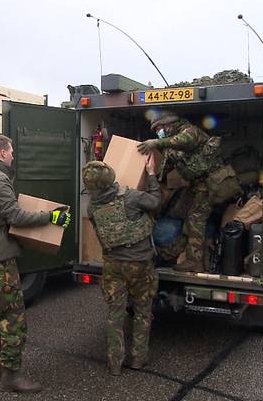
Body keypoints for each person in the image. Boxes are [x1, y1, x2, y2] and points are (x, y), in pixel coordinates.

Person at [0, 134, 71, 393]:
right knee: (14, 317)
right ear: (3, 152)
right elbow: (14, 215)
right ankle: (11, 376)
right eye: (12, 151)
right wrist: (51, 217)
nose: (13, 155)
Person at [83, 160, 161, 376]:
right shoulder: (131, 197)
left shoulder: (92, 207)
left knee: (115, 314)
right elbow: (155, 202)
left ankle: (115, 363)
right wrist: (151, 174)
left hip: (113, 266)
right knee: (143, 311)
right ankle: (138, 358)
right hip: (140, 264)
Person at [138, 112, 240, 272]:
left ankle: (195, 262)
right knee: (182, 215)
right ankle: (170, 254)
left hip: (211, 182)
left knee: (195, 218)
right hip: (197, 185)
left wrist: (156, 143)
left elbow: (184, 141)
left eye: (159, 128)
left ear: (168, 124)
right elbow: (165, 168)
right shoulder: (170, 146)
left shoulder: (189, 131)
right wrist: (147, 177)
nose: (158, 132)